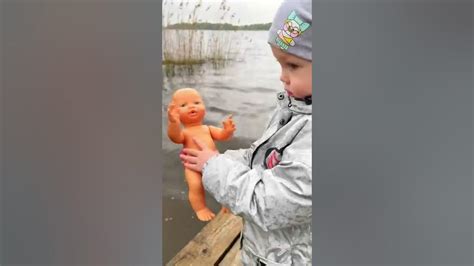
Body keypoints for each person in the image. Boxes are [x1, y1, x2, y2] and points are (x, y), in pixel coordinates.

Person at [180, 0, 312, 264]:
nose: (282, 77)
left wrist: (214, 169)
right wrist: (219, 160)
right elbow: (262, 157)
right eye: (280, 64)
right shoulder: (296, 108)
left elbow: (266, 203)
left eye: (292, 66)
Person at [167, 88, 235, 221]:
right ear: (176, 112)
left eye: (196, 102)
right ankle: (200, 208)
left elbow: (222, 136)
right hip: (192, 166)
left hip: (212, 163)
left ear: (204, 106)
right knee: (196, 186)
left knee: (222, 182)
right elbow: (175, 137)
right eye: (183, 105)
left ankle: (226, 204)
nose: (191, 106)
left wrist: (227, 130)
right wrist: (173, 123)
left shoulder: (207, 128)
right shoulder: (185, 132)